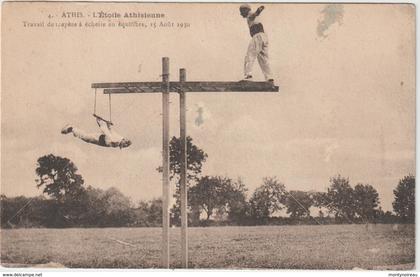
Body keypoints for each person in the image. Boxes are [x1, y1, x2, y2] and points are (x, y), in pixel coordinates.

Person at [239, 4, 273, 82]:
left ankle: (248, 76)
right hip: (264, 37)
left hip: (257, 36)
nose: (241, 14)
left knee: (250, 55)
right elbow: (255, 15)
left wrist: (259, 10)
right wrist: (258, 11)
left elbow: (254, 15)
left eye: (241, 11)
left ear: (246, 10)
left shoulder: (249, 14)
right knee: (263, 59)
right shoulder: (253, 16)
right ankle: (269, 77)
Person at [61, 114, 132, 149]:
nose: (123, 146)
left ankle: (72, 129)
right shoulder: (117, 141)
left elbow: (111, 131)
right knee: (85, 137)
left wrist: (108, 125)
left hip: (100, 140)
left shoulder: (119, 139)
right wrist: (101, 123)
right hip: (99, 139)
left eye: (125, 146)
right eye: (125, 144)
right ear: (124, 140)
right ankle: (71, 128)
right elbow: (108, 134)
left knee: (86, 137)